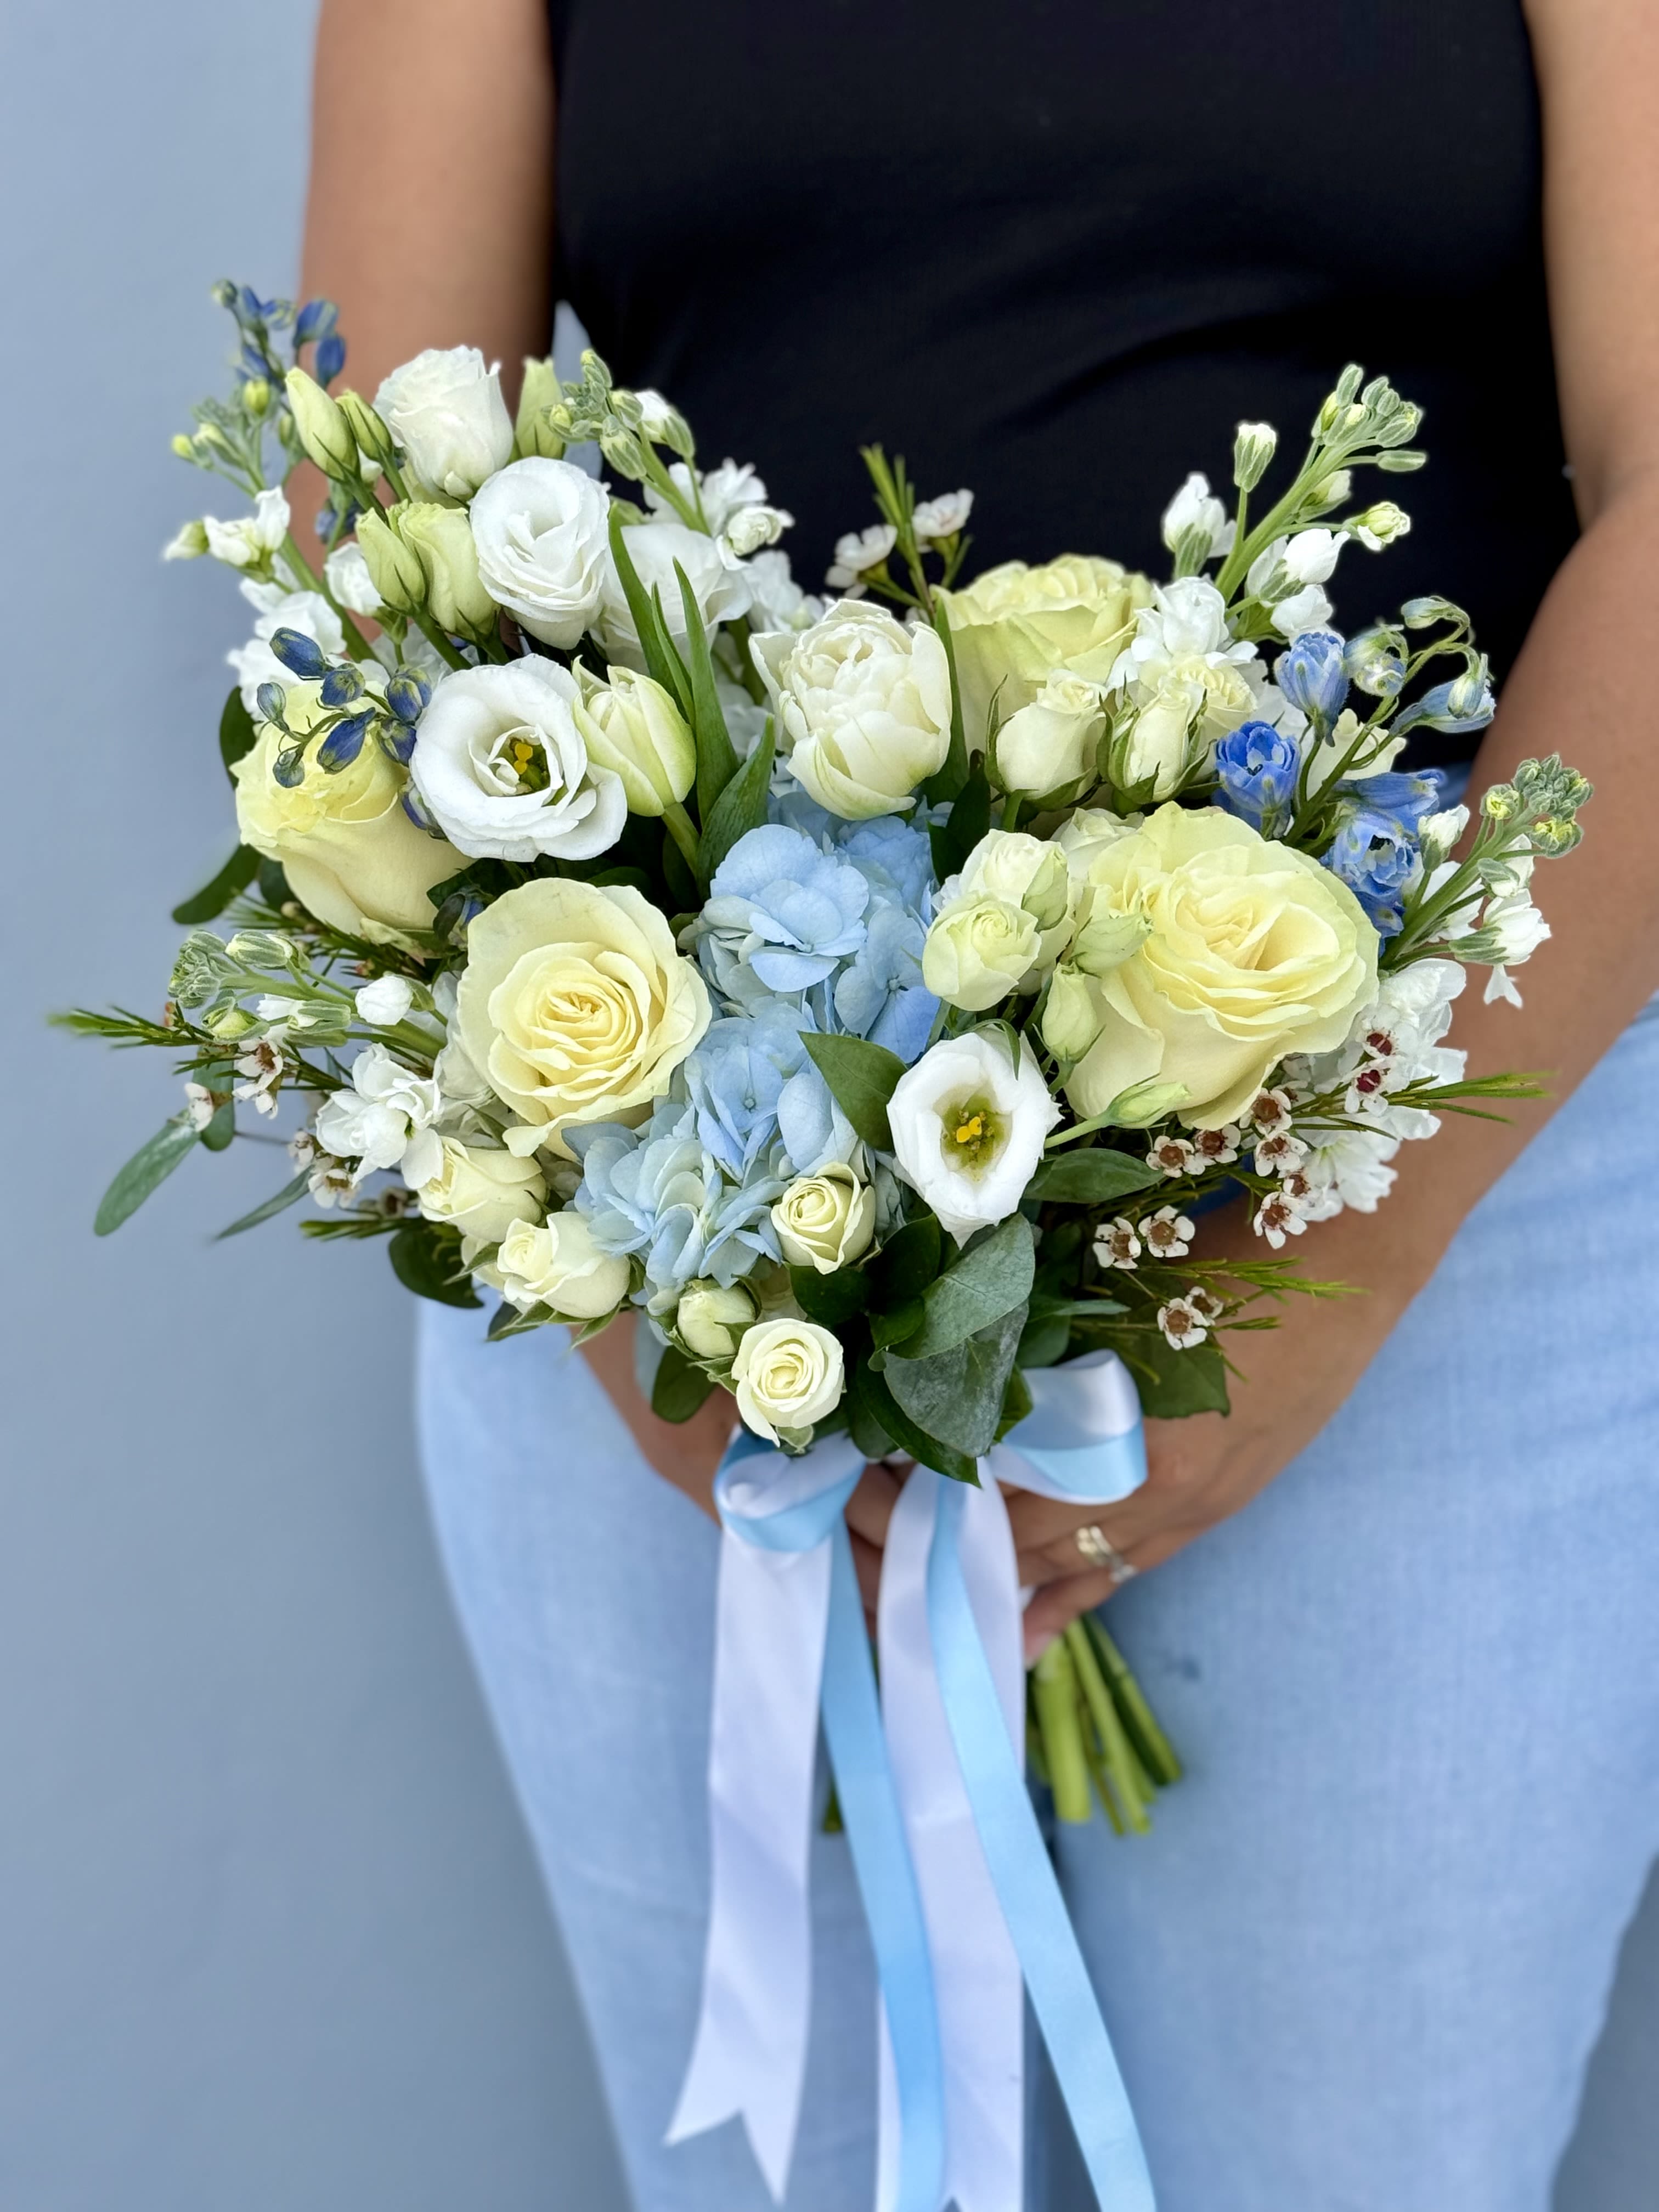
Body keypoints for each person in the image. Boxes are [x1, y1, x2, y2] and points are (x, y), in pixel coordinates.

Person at [302, 3, 1659, 2204]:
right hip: (675, 1181)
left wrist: (1326, 1273)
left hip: (1453, 1179)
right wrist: (646, 1278)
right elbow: (368, 514)